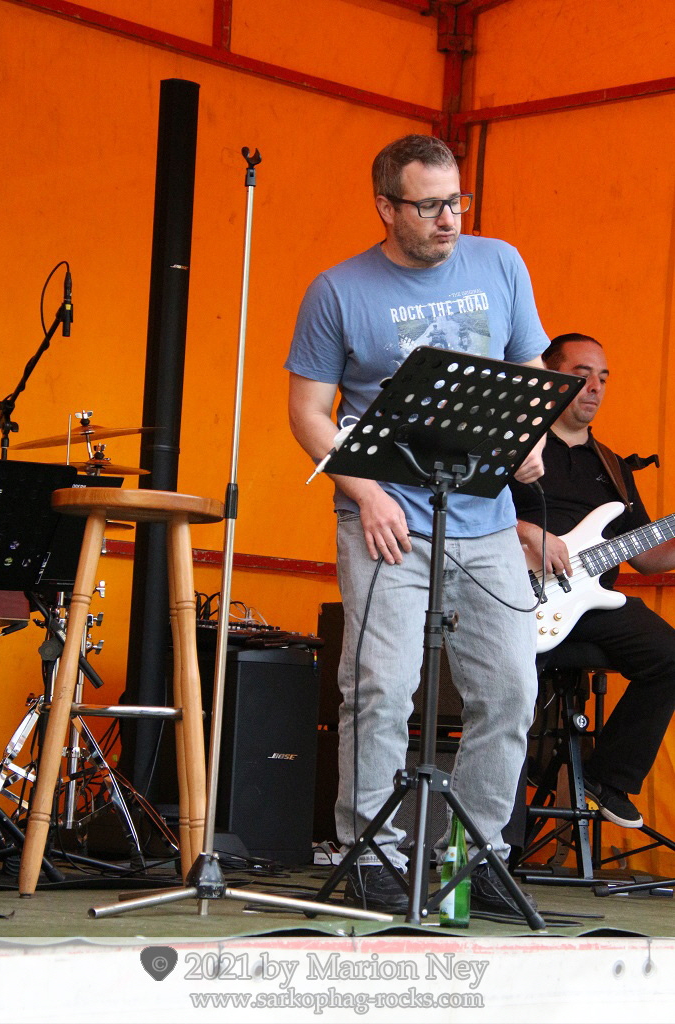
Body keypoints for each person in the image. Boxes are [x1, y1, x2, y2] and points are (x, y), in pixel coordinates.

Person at [286, 134, 548, 915]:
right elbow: (307, 412)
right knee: (380, 688)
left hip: (487, 521)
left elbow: (529, 368)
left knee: (511, 691)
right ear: (386, 207)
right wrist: (365, 493)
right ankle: (372, 855)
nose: (449, 219)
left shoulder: (501, 263)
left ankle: (476, 855)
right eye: (430, 205)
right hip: (387, 520)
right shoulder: (337, 291)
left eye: (457, 201)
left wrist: (529, 438)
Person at [512, 333, 675, 828]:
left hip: (591, 605)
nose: (595, 387)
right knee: (504, 701)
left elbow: (647, 558)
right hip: (513, 596)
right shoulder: (516, 446)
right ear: (548, 377)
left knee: (670, 655)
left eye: (603, 377)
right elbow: (463, 514)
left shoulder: (613, 467)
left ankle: (608, 779)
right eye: (582, 375)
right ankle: (497, 837)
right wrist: (527, 532)